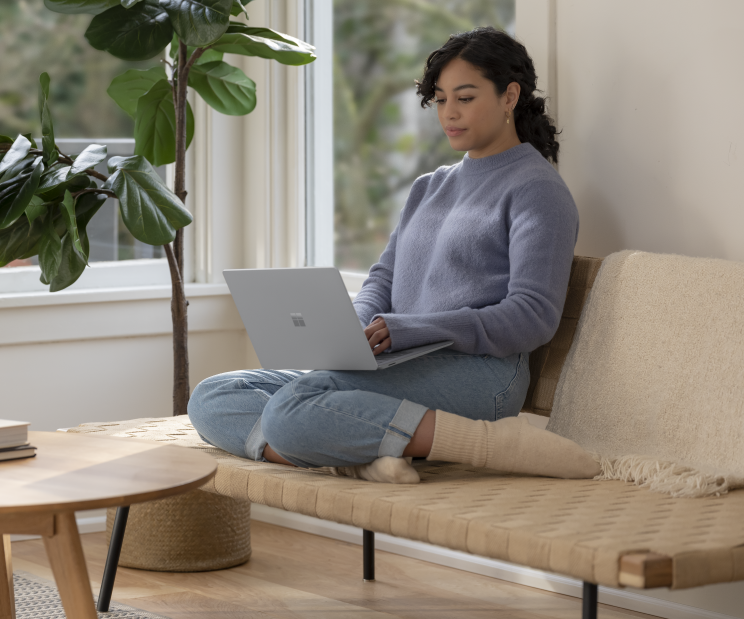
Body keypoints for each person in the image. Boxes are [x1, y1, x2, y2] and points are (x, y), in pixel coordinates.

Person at [188, 27, 600, 483]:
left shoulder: (538, 191)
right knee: (214, 395)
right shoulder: (430, 186)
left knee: (292, 408)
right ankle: (362, 456)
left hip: (483, 375)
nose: (449, 113)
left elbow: (534, 315)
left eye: (465, 97)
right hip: (399, 362)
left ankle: (489, 445)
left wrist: (411, 329)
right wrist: (354, 328)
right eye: (441, 100)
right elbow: (383, 279)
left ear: (510, 96)